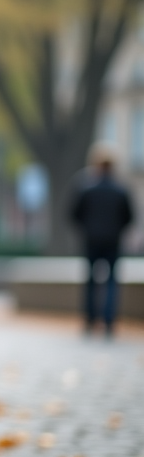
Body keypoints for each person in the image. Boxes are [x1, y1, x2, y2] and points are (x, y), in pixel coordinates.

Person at [70, 144, 134, 337]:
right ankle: (108, 321)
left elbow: (74, 214)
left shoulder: (86, 188)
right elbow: (129, 216)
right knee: (112, 281)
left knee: (91, 281)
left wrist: (87, 229)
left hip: (91, 240)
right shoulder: (120, 190)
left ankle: (90, 319)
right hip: (113, 241)